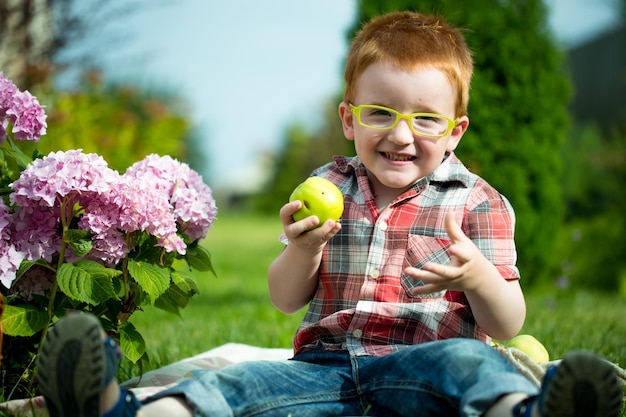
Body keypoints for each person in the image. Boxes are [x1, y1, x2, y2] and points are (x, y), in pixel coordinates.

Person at [36, 11, 623, 417]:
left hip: (430, 365)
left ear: (454, 132)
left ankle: (534, 410)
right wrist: (303, 249)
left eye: (425, 118)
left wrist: (476, 277)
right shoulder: (327, 185)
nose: (400, 133)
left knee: (475, 366)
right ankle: (117, 406)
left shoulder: (476, 202)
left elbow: (506, 323)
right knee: (239, 385)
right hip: (324, 369)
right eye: (379, 113)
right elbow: (284, 299)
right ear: (348, 119)